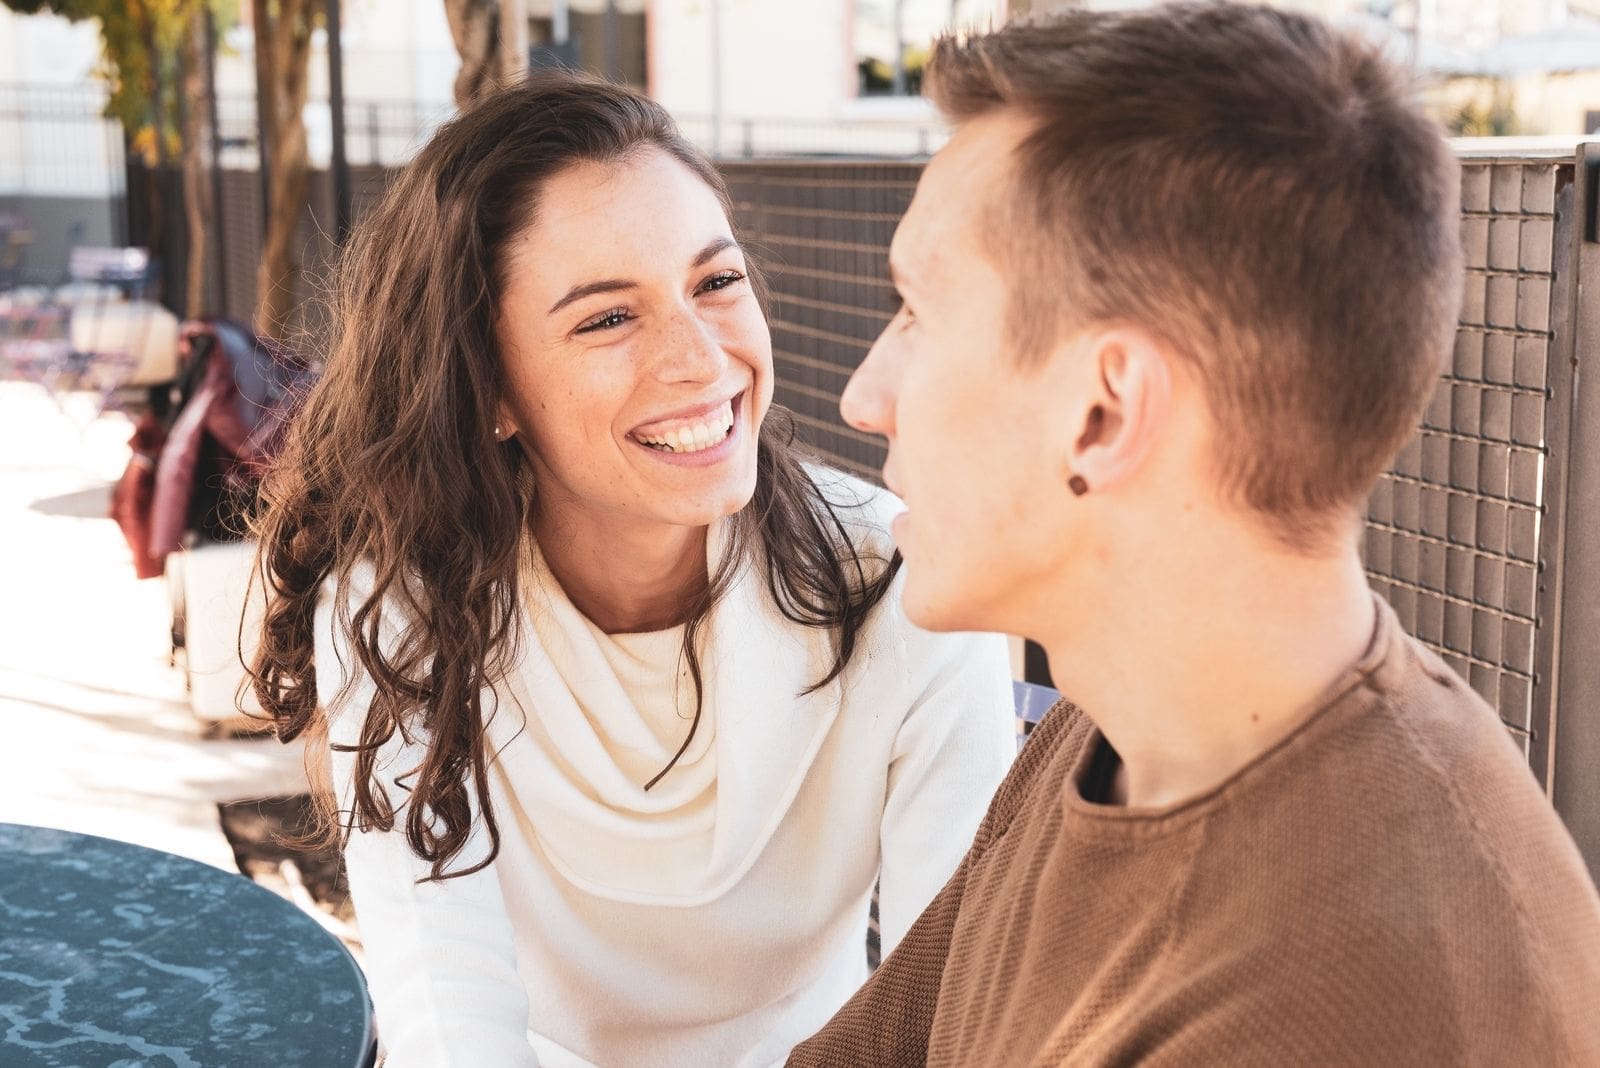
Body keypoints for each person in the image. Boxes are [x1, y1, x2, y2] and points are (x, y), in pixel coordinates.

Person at [789, 4, 1600, 1065]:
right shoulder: (1121, 732)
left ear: (1104, 412)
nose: (864, 396)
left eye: (914, 313)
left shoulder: (1356, 998)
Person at [248, 72, 1015, 1068]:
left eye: (715, 282)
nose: (700, 360)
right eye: (606, 319)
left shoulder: (904, 578)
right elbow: (448, 1013)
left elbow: (953, 1008)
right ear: (488, 389)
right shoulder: (404, 611)